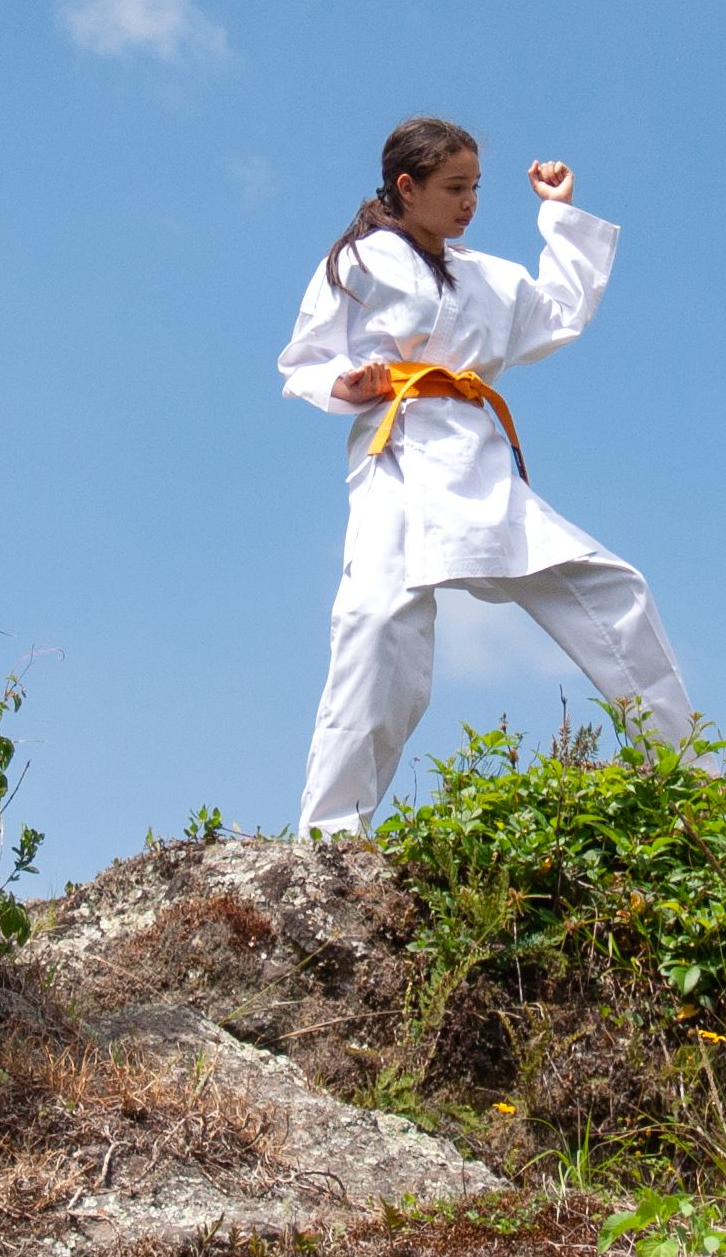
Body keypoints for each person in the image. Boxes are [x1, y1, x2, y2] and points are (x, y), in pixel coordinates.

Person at [280, 115, 696, 835]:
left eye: (476, 187)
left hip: (478, 461)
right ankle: (332, 833)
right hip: (398, 454)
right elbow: (307, 359)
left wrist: (558, 215)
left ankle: (690, 778)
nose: (470, 203)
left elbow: (559, 313)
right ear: (407, 187)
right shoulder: (359, 262)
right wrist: (349, 383)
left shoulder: (487, 276)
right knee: (376, 627)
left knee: (612, 589)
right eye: (455, 188)